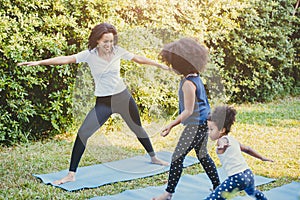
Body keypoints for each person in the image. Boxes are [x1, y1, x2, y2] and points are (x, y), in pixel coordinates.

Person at [18, 22, 169, 185]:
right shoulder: (89, 55)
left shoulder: (118, 51)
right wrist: (39, 62)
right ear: (97, 40)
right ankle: (71, 174)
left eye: (111, 41)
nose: (109, 45)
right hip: (103, 103)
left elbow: (138, 59)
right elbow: (66, 59)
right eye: (105, 41)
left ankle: (153, 157)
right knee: (83, 133)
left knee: (137, 128)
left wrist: (158, 64)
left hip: (123, 98)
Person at [152, 38, 221, 200]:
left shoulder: (188, 84)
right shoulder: (196, 78)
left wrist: (170, 125)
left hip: (195, 126)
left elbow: (188, 111)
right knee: (203, 155)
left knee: (177, 158)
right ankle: (218, 186)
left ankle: (168, 194)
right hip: (203, 124)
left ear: (180, 64)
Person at [205, 105, 273, 200]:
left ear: (222, 130)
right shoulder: (233, 140)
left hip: (237, 178)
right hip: (248, 174)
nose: (208, 132)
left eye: (211, 129)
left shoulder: (222, 140)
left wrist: (222, 145)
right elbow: (248, 149)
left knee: (213, 198)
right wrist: (262, 157)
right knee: (252, 192)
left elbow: (223, 141)